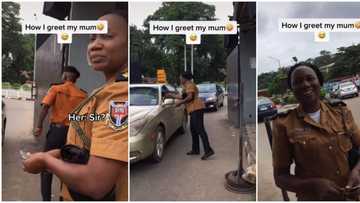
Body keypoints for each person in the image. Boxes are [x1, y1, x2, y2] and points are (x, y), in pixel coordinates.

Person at [23, 9, 128, 201]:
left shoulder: (118, 94)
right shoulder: (89, 93)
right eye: (92, 38)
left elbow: (96, 183)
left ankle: (46, 198)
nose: (95, 45)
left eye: (107, 36)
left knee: (45, 172)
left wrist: (44, 156)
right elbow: (90, 137)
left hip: (56, 130)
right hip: (69, 136)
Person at [272, 62, 360, 200]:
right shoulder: (283, 124)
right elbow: (280, 177)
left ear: (320, 82)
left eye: (310, 78)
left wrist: (357, 172)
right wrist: (312, 185)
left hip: (352, 195)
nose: (305, 84)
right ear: (292, 89)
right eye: (298, 82)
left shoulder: (341, 111)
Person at [34, 65, 87, 201]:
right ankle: (63, 199)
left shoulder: (56, 89)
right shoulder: (83, 94)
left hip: (56, 133)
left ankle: (46, 200)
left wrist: (38, 127)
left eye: (63, 74)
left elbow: (45, 108)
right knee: (69, 167)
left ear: (66, 76)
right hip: (73, 134)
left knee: (47, 166)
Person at [167, 72, 215, 160]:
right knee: (193, 130)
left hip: (197, 109)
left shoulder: (190, 85)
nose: (180, 79)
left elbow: (190, 97)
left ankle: (208, 150)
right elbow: (182, 96)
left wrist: (180, 103)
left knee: (200, 130)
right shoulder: (186, 86)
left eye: (180, 78)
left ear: (185, 78)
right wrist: (171, 96)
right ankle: (195, 149)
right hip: (193, 110)